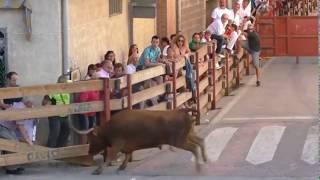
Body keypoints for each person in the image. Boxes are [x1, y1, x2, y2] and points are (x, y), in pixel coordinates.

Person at [0, 72, 34, 175]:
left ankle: (12, 165)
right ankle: (11, 168)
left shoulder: (20, 103)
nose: (15, 82)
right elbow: (21, 126)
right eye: (13, 80)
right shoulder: (20, 108)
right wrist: (28, 140)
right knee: (13, 143)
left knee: (11, 143)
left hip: (7, 124)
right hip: (2, 124)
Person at [43, 75, 71, 147]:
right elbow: (45, 102)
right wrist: (52, 103)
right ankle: (50, 151)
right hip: (55, 116)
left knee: (66, 132)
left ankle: (59, 150)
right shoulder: (53, 90)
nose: (66, 85)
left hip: (65, 115)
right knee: (54, 134)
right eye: (64, 83)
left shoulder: (67, 89)